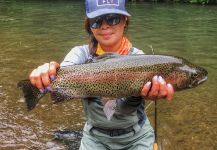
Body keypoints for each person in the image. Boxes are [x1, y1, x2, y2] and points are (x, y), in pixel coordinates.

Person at [29, 0, 174, 149]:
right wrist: (49, 71)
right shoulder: (81, 54)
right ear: (90, 26)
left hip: (137, 137)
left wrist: (144, 94)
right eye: (96, 21)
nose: (104, 25)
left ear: (125, 21)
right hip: (95, 137)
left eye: (112, 18)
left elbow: (124, 109)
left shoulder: (139, 59)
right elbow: (65, 70)